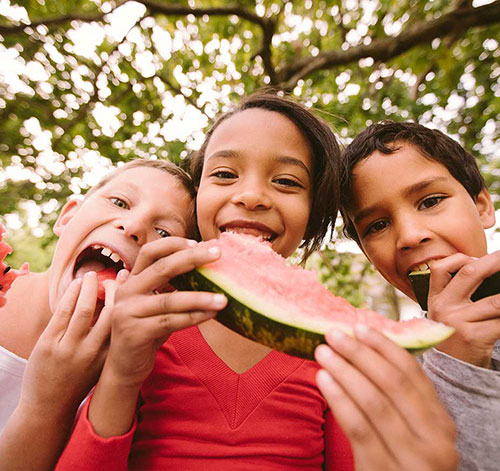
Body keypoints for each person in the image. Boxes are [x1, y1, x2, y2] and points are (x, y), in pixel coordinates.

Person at [55, 92, 456, 471]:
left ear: (313, 213)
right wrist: (122, 374)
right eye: (225, 174)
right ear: (197, 202)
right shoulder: (142, 322)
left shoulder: (335, 348)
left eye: (286, 182)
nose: (251, 196)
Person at [0, 159, 225, 471]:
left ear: (167, 284)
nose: (133, 227)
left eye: (163, 232)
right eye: (119, 202)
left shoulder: (126, 388)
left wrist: (52, 403)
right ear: (69, 215)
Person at [337, 120, 500, 470]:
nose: (409, 235)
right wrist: (458, 367)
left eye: (430, 201)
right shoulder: (390, 383)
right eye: (377, 226)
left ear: (483, 206)